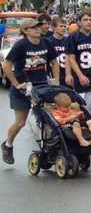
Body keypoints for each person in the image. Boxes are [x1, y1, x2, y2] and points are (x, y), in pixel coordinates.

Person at [2, 18, 57, 165]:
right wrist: (16, 83)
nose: (38, 29)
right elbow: (6, 66)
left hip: (41, 86)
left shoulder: (46, 42)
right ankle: (8, 145)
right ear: (25, 30)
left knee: (49, 119)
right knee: (21, 122)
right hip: (22, 88)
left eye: (39, 26)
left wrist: (56, 80)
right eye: (34, 27)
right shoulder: (20, 45)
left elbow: (54, 62)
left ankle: (50, 148)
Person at [48, 17, 72, 88]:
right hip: (53, 75)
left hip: (67, 75)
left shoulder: (69, 41)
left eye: (65, 26)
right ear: (53, 27)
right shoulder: (48, 41)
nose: (63, 28)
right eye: (61, 26)